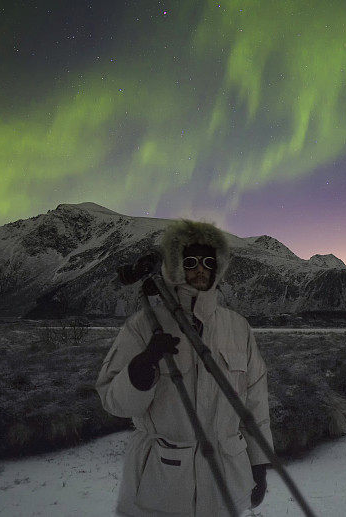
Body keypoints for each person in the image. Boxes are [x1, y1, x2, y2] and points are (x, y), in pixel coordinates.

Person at [96, 219, 273, 516]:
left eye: (207, 261)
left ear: (217, 266)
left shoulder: (237, 328)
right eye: (190, 261)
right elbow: (113, 400)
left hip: (226, 483)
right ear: (177, 266)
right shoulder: (144, 326)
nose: (200, 269)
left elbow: (255, 402)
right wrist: (142, 366)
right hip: (163, 485)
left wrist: (259, 463)